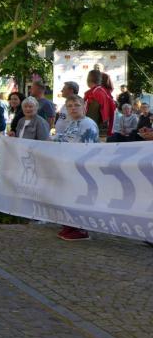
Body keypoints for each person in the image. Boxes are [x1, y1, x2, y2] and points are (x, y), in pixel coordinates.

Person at [53, 95, 99, 241]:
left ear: (84, 106)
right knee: (69, 195)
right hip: (69, 165)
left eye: (76, 105)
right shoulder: (72, 122)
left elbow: (79, 144)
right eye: (70, 106)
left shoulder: (87, 123)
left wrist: (54, 139)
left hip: (82, 167)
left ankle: (80, 228)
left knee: (79, 196)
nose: (73, 108)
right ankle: (70, 224)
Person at [83, 69, 116, 136]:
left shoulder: (94, 94)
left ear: (88, 80)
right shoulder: (103, 92)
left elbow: (92, 116)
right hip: (102, 129)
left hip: (94, 131)